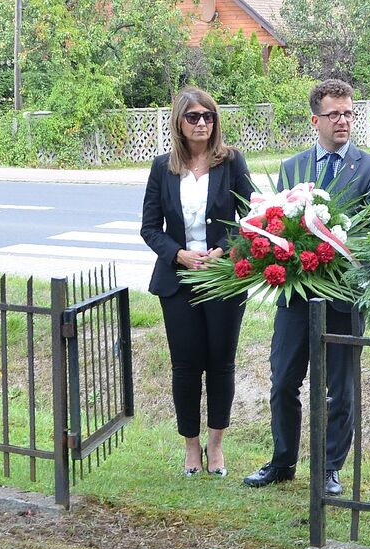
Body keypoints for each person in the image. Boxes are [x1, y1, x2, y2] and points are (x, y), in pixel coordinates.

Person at [243, 79, 370, 496]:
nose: (343, 120)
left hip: (345, 297)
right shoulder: (293, 167)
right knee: (283, 380)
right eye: (334, 114)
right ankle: (282, 461)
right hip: (296, 295)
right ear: (315, 120)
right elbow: (277, 225)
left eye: (348, 113)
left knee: (339, 389)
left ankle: (328, 468)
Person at [140, 86, 255, 478]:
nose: (203, 122)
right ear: (179, 122)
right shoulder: (162, 167)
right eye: (194, 117)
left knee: (221, 363)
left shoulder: (232, 162)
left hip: (223, 280)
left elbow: (253, 220)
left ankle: (217, 446)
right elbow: (150, 228)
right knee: (186, 366)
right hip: (178, 281)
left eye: (209, 116)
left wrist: (222, 251)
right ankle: (191, 447)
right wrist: (179, 254)